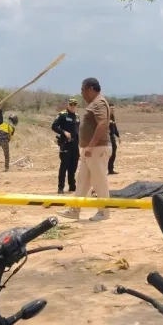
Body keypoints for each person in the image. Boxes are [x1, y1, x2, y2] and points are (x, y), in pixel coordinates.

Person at [58, 78, 112, 222]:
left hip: (97, 148)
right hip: (89, 150)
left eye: (83, 89)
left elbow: (103, 123)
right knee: (82, 181)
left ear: (91, 89)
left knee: (99, 180)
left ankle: (103, 212)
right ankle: (75, 209)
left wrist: (92, 145)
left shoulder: (99, 103)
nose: (81, 93)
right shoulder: (93, 103)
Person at [52, 98, 80, 194]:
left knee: (74, 165)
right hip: (65, 143)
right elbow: (54, 126)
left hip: (75, 144)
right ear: (68, 105)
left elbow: (77, 130)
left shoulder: (77, 116)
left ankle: (72, 186)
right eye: (71, 104)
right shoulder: (62, 115)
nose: (73, 106)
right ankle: (61, 187)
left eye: (74, 104)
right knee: (64, 165)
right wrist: (64, 132)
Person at [108, 104, 121, 175]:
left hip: (112, 138)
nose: (113, 109)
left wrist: (118, 136)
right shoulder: (105, 117)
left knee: (113, 154)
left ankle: (110, 169)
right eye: (111, 108)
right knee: (107, 154)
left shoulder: (112, 117)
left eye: (113, 108)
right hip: (107, 138)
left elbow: (115, 128)